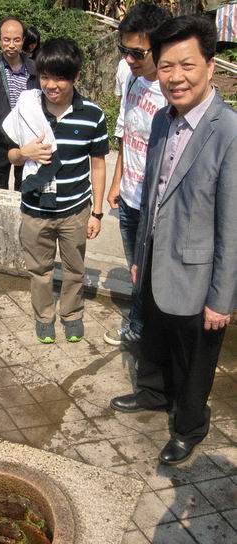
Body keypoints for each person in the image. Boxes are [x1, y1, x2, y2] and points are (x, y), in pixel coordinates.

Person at [112, 15, 237, 465]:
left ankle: (189, 425)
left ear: (210, 65)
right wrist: (140, 254)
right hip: (155, 258)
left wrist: (222, 298)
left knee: (193, 359)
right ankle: (152, 392)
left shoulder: (229, 132)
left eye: (187, 65)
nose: (176, 77)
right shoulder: (163, 120)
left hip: (199, 276)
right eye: (166, 66)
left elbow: (232, 225)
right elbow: (153, 192)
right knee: (154, 338)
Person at [3, 38, 108, 343]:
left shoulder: (93, 115)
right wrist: (24, 153)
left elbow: (98, 166)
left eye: (60, 78)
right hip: (36, 211)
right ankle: (44, 317)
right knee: (39, 270)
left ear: (76, 76)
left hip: (75, 211)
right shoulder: (27, 109)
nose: (51, 85)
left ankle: (72, 314)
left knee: (75, 269)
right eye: (45, 77)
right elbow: (10, 156)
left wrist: (96, 213)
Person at [104, 2, 171, 346]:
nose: (128, 59)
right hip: (129, 197)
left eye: (136, 53)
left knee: (152, 275)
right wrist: (117, 181)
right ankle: (139, 324)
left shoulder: (172, 93)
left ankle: (146, 332)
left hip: (154, 204)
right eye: (124, 50)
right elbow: (127, 134)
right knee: (135, 271)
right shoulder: (132, 79)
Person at [0, 16, 38, 192]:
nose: (11, 45)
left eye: (16, 40)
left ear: (23, 40)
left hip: (26, 140)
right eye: (6, 40)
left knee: (24, 188)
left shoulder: (34, 69)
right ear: (0, 40)